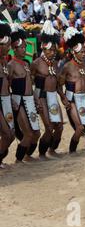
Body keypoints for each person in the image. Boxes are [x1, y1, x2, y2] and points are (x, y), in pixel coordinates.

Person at [58, 27, 85, 154]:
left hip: (83, 98)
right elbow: (59, 85)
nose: (84, 54)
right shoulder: (67, 67)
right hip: (72, 99)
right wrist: (64, 99)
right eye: (82, 52)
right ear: (75, 52)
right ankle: (72, 152)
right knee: (79, 128)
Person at [31, 21, 65, 160]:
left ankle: (52, 149)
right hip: (42, 96)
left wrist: (63, 97)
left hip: (53, 97)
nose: (52, 52)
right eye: (49, 50)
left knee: (59, 127)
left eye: (53, 50)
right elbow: (30, 83)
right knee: (49, 126)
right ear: (43, 49)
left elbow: (57, 85)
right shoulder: (37, 63)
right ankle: (41, 153)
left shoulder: (56, 64)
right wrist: (35, 100)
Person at [8, 24, 41, 163]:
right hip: (19, 100)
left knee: (37, 133)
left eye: (23, 47)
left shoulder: (26, 64)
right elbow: (5, 86)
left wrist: (36, 98)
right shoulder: (11, 65)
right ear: (14, 49)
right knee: (27, 133)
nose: (23, 49)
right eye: (20, 47)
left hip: (29, 100)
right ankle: (18, 160)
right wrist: (11, 100)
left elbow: (30, 85)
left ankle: (28, 155)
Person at [0, 22, 15, 168]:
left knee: (10, 135)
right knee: (7, 134)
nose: (9, 47)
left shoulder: (5, 61)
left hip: (5, 101)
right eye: (6, 44)